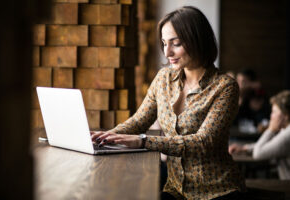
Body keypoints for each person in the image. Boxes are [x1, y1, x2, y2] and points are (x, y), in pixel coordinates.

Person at [91, 6, 245, 200]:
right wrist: (105, 137)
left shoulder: (225, 86)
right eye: (164, 43)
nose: (168, 52)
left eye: (176, 43)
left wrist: (144, 141)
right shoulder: (163, 78)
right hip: (175, 188)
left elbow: (203, 142)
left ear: (198, 40)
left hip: (218, 190)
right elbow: (139, 121)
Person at [229, 90, 290, 180]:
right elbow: (271, 145)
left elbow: (258, 153)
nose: (271, 116)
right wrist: (245, 148)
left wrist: (271, 129)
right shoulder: (286, 131)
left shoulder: (287, 134)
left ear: (286, 115)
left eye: (274, 112)